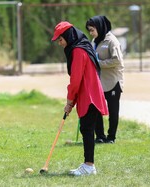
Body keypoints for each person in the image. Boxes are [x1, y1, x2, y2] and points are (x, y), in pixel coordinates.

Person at [51, 21, 108, 176]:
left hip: (89, 95)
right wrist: (72, 101)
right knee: (87, 128)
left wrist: (70, 101)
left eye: (60, 40)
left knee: (87, 129)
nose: (60, 43)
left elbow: (75, 80)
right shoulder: (81, 47)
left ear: (68, 37)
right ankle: (88, 165)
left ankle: (89, 166)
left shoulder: (77, 51)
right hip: (90, 94)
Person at [86, 15, 124, 144]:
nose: (91, 33)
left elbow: (117, 60)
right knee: (96, 109)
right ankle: (100, 136)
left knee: (113, 111)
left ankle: (111, 137)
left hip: (113, 82)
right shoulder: (94, 41)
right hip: (99, 83)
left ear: (100, 27)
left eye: (92, 30)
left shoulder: (112, 41)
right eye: (89, 30)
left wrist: (99, 63)